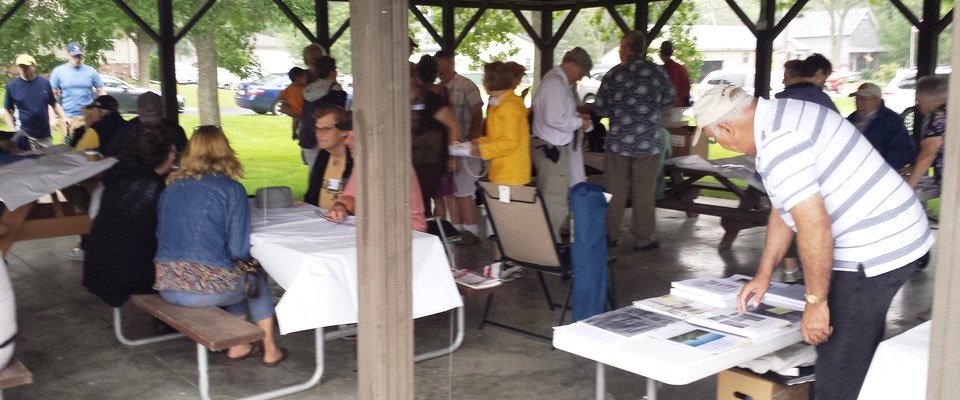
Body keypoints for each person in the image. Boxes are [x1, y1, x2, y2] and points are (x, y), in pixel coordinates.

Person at [692, 84, 933, 400]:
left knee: (838, 363)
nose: (719, 143)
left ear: (728, 126)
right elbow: (784, 208)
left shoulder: (780, 144)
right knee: (855, 348)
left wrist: (816, 302)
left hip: (876, 246)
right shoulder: (781, 115)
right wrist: (764, 272)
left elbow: (815, 227)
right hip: (894, 232)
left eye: (715, 137)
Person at [154, 126, 285, 366]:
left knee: (234, 274)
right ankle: (270, 349)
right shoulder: (231, 190)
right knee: (253, 276)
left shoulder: (170, 188)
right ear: (225, 151)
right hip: (206, 291)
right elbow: (238, 250)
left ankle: (239, 344)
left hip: (168, 285)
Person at [594, 31, 676, 251]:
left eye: (621, 47)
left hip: (618, 141)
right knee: (644, 190)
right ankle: (643, 238)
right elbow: (669, 102)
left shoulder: (613, 74)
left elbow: (600, 108)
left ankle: (610, 235)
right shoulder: (657, 73)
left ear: (626, 48)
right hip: (648, 142)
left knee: (613, 189)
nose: (620, 51)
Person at [83, 125, 176, 307]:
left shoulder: (119, 174)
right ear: (166, 155)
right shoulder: (151, 187)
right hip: (127, 275)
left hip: (98, 268)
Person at [531, 47, 594, 241]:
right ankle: (550, 245)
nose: (580, 77)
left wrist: (576, 116)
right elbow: (554, 119)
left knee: (555, 198)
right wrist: (579, 122)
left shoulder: (558, 82)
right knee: (554, 201)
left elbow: (559, 114)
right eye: (581, 72)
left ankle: (549, 241)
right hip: (552, 149)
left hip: (553, 148)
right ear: (572, 64)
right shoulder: (555, 83)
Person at [327, 118, 427, 232]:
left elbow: (382, 214)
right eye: (347, 136)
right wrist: (340, 206)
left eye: (353, 137)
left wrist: (353, 205)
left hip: (407, 233)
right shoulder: (364, 162)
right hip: (377, 229)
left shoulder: (393, 165)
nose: (346, 141)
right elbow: (348, 197)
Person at [435, 50, 484, 244]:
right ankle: (457, 230)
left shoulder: (466, 86)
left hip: (465, 147)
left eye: (441, 63)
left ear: (449, 62)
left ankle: (471, 231)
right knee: (451, 192)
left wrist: (472, 139)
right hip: (446, 149)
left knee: (464, 192)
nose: (439, 68)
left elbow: (477, 114)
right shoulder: (439, 89)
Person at [409, 63, 460, 221]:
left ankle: (431, 234)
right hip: (411, 161)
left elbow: (453, 124)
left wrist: (453, 156)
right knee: (417, 202)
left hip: (431, 161)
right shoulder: (396, 101)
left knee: (421, 201)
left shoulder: (430, 99)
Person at [472, 61, 530, 185]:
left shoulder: (508, 106)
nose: (483, 82)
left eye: (484, 79)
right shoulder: (501, 104)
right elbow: (497, 137)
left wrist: (482, 149)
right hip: (504, 172)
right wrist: (478, 142)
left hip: (511, 175)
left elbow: (510, 142)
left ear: (491, 81)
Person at [3, 54, 69, 150]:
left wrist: (63, 117)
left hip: (45, 135)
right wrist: (12, 129)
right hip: (24, 135)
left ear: (34, 66)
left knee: (46, 162)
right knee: (28, 163)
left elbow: (53, 103)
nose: (23, 69)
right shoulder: (12, 86)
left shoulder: (44, 83)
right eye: (21, 67)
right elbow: (6, 110)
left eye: (26, 67)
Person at [847, 83, 916, 171]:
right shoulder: (851, 118)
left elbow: (904, 152)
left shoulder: (892, 121)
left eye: (863, 99)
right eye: (856, 99)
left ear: (877, 101)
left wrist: (878, 157)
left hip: (878, 170)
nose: (858, 103)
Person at [298, 56, 347, 171]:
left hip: (307, 135)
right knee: (326, 170)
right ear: (331, 71)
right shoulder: (335, 89)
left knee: (313, 171)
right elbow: (339, 114)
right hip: (326, 134)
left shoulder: (309, 88)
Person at [106, 92, 187, 158]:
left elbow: (111, 153)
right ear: (162, 109)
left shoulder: (126, 128)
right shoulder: (175, 129)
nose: (149, 124)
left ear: (138, 110)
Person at [50, 42, 106, 133]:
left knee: (90, 145)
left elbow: (101, 91)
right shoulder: (58, 72)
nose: (77, 59)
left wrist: (104, 110)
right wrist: (53, 118)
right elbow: (52, 97)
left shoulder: (91, 71)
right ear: (68, 55)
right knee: (68, 146)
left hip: (88, 118)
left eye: (79, 56)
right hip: (68, 118)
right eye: (74, 56)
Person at [304, 105, 353, 208]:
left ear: (343, 131)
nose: (319, 134)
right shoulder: (323, 155)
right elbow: (311, 197)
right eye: (317, 129)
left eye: (326, 129)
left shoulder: (354, 160)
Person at [906, 74, 949, 188]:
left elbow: (927, 156)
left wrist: (908, 188)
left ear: (923, 96)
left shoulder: (936, 117)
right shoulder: (952, 110)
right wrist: (913, 169)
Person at [277, 67, 308, 140]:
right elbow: (280, 96)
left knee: (296, 122)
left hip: (298, 110)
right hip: (297, 110)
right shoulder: (296, 89)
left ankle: (296, 133)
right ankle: (295, 133)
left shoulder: (293, 88)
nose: (307, 79)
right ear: (298, 78)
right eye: (305, 77)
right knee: (297, 122)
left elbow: (280, 95)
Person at [659, 41, 691, 107]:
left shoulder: (659, 70)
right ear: (672, 53)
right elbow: (687, 87)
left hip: (663, 107)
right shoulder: (681, 69)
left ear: (660, 53)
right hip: (678, 107)